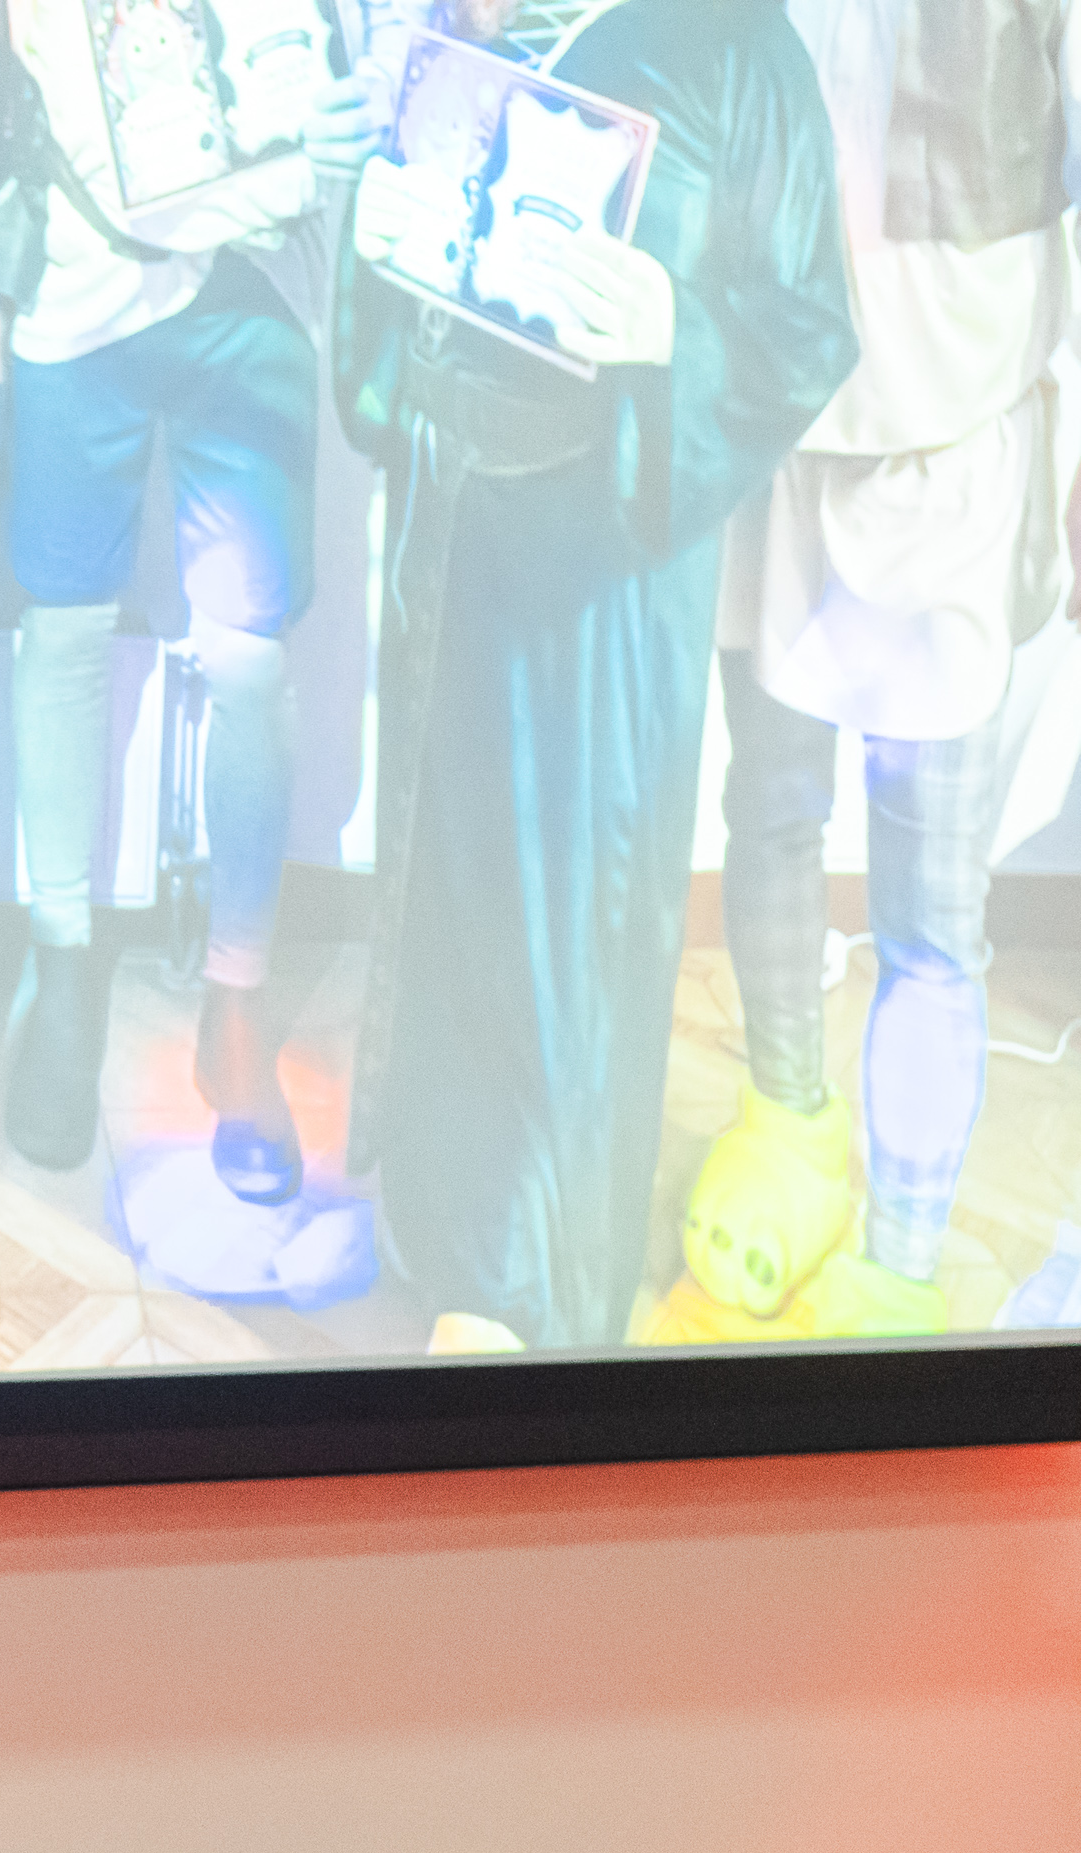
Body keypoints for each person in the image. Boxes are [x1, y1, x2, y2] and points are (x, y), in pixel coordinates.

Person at [333, 0, 858, 1350]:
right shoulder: (468, 31)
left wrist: (675, 325)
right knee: (442, 894)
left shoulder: (738, 49)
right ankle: (440, 1225)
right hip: (450, 537)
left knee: (570, 926)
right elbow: (411, 298)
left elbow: (808, 322)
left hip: (601, 574)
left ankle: (528, 1288)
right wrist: (373, 249)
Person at [652, 0, 1078, 1342]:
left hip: (948, 443)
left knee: (930, 913)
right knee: (770, 810)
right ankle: (787, 1121)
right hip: (765, 413)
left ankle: (901, 1246)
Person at [0, 0, 338, 1193]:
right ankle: (63, 966)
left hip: (249, 294)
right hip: (74, 290)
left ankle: (236, 998)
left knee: (250, 658)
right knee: (61, 628)